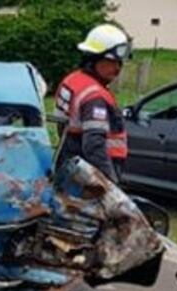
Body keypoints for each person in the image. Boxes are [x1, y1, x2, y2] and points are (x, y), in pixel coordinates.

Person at [53, 24, 132, 183]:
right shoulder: (95, 96)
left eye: (120, 62)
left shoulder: (74, 80)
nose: (118, 68)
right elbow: (94, 145)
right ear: (94, 58)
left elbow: (63, 126)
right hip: (91, 172)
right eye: (112, 61)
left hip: (69, 160)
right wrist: (109, 182)